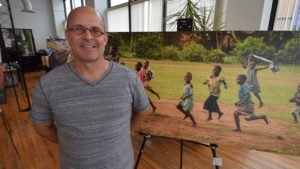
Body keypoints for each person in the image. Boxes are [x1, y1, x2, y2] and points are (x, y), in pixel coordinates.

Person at [30, 6, 149, 169]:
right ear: (67, 35)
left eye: (95, 30)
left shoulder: (129, 78)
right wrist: (71, 140)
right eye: (78, 29)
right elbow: (43, 128)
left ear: (105, 39)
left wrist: (120, 131)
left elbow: (142, 110)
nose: (88, 36)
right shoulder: (47, 85)